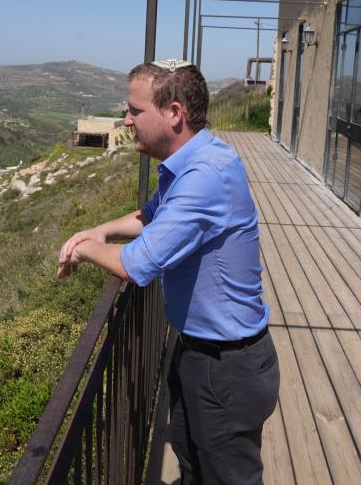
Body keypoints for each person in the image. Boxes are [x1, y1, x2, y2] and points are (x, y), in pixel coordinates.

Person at [57, 60, 280, 485]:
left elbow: (136, 265)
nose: (126, 120)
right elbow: (151, 216)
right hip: (204, 355)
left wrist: (84, 249)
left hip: (226, 367)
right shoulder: (195, 159)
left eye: (135, 111)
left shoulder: (204, 178)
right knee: (195, 466)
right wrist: (100, 229)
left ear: (174, 113)